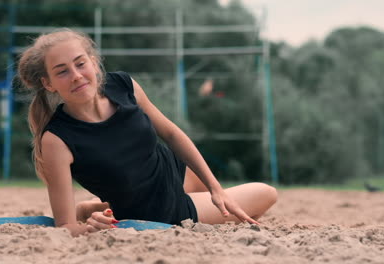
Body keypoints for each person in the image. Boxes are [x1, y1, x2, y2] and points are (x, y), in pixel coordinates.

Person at [17, 28, 277, 237]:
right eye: (62, 71)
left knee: (227, 198)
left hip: (174, 172)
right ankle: (102, 209)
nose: (75, 76)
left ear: (94, 65)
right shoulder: (56, 139)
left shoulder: (123, 85)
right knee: (267, 193)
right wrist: (89, 228)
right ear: (48, 83)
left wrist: (216, 189)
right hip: (165, 210)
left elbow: (172, 134)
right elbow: (65, 226)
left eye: (80, 63)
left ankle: (99, 206)